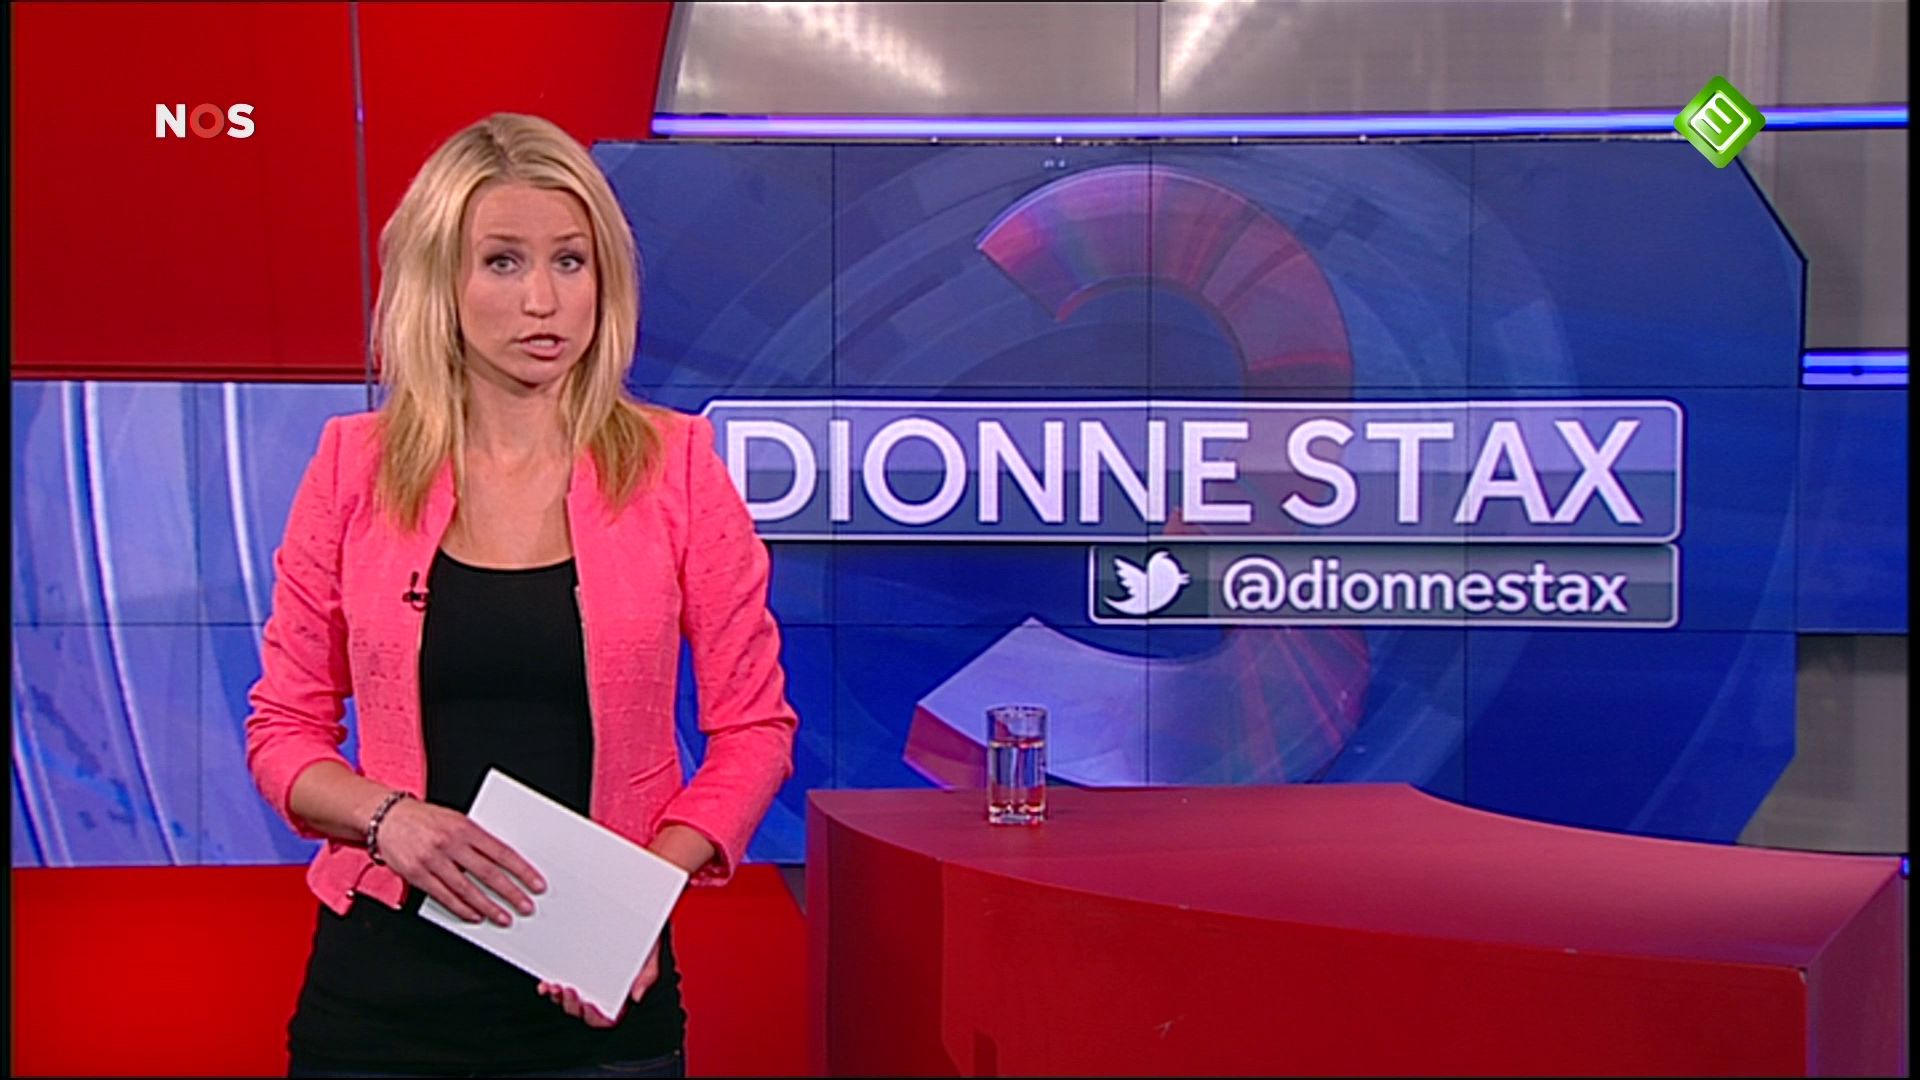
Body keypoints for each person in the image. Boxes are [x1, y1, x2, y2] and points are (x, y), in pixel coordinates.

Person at [244, 112, 798, 1079]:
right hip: (382, 1003)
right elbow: (282, 731)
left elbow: (754, 730)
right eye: (502, 262)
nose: (543, 300)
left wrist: (636, 899)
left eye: (569, 262)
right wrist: (389, 820)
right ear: (440, 282)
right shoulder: (351, 467)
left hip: (596, 999)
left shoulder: (678, 468)